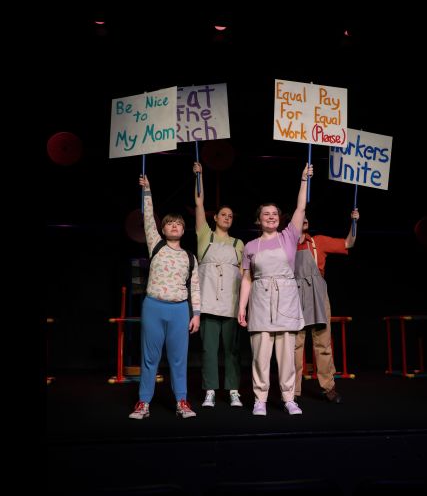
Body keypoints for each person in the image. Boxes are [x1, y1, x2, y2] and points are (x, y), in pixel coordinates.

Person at [238, 163, 312, 416]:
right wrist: (241, 307)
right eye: (265, 214)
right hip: (259, 300)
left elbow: (301, 207)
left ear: (280, 219)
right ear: (258, 220)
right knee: (260, 355)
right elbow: (246, 279)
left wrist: (304, 180)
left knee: (286, 357)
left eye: (274, 214)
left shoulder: (288, 237)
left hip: (286, 298)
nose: (270, 217)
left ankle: (289, 398)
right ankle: (260, 399)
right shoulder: (249, 246)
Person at [128, 172, 201, 420]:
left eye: (178, 223)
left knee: (178, 360)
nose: (173, 226)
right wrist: (147, 191)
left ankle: (182, 401)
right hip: (154, 307)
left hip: (180, 310)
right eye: (169, 223)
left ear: (183, 229)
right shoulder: (156, 246)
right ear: (163, 228)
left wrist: (197, 315)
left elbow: (196, 288)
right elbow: (148, 218)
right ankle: (143, 403)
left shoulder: (190, 258)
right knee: (150, 358)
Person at [293, 208, 360, 404]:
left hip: (318, 295)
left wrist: (354, 223)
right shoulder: (286, 245)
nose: (304, 219)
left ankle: (328, 387)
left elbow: (349, 243)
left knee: (323, 343)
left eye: (306, 217)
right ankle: (293, 390)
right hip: (295, 295)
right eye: (300, 217)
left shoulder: (318, 241)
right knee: (295, 345)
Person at [192, 161, 245, 408]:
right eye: (223, 214)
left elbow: (246, 276)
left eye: (231, 216)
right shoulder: (205, 235)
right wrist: (199, 176)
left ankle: (234, 390)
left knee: (232, 351)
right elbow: (199, 204)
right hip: (208, 303)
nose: (227, 218)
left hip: (232, 305)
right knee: (208, 350)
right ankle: (210, 390)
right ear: (215, 217)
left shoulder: (239, 244)